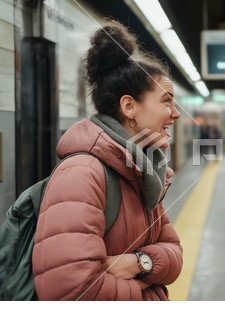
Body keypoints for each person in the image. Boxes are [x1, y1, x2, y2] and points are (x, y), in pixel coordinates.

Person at [32, 21, 183, 301]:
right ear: (129, 107)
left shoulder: (142, 172)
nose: (175, 114)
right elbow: (67, 291)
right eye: (166, 101)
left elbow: (175, 253)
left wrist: (140, 263)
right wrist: (146, 285)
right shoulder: (83, 173)